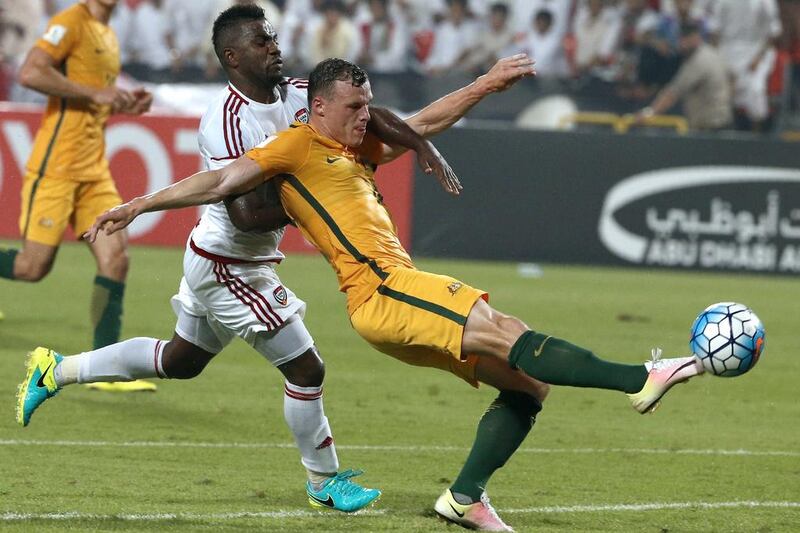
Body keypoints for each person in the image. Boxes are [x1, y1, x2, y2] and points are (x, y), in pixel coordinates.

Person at [75, 58, 705, 531]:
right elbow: (222, 179)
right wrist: (140, 203)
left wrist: (486, 85)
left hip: (397, 293)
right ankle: (640, 377)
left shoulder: (358, 150)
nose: (363, 116)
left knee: (527, 384)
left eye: (366, 104)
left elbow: (424, 121)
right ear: (317, 108)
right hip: (383, 291)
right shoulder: (296, 147)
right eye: (352, 106)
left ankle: (464, 498)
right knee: (508, 334)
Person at [15, 5, 540, 516]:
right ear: (233, 56)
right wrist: (320, 202)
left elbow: (407, 125)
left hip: (222, 258)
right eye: (261, 41)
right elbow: (244, 212)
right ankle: (325, 481)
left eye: (273, 37)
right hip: (230, 262)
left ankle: (55, 370)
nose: (275, 47)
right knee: (306, 367)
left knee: (180, 361)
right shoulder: (225, 121)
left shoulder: (300, 98)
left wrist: (481, 86)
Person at [0, 0, 155, 392]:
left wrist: (123, 102)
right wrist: (96, 93)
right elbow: (31, 71)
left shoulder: (107, 32)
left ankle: (105, 369)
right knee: (32, 268)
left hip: (94, 169)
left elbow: (93, 99)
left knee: (116, 260)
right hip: (57, 166)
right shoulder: (70, 22)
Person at [635, 21, 732, 131]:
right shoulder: (711, 52)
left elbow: (673, 92)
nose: (682, 44)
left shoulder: (699, 60)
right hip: (719, 122)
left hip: (713, 127)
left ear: (696, 38)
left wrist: (649, 113)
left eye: (686, 39)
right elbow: (732, 77)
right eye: (681, 39)